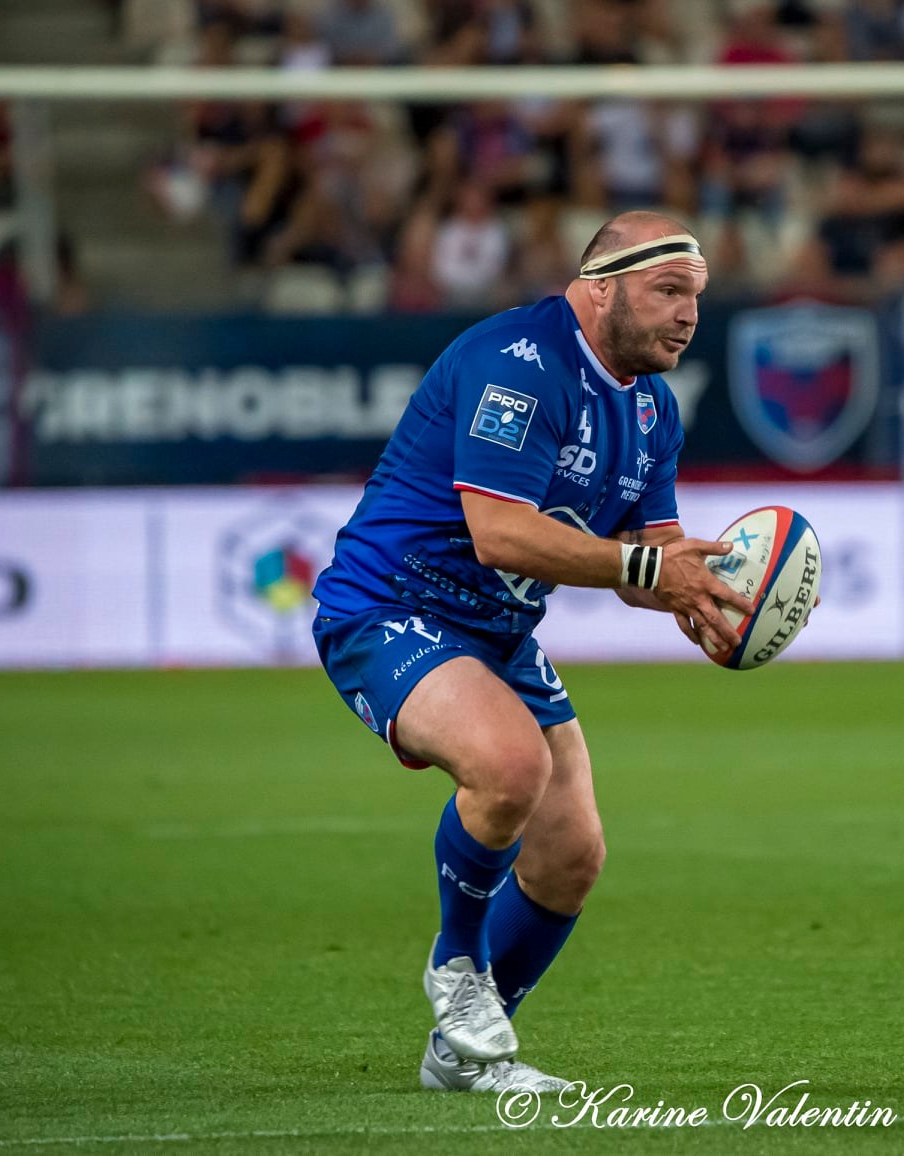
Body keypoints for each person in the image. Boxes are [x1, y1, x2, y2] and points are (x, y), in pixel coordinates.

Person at [311, 212, 753, 1093]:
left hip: (498, 632)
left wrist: (701, 593)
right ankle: (457, 966)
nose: (688, 315)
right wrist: (648, 568)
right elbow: (501, 534)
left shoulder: (652, 407)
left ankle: (465, 1058)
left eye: (696, 297)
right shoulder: (516, 362)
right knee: (510, 767)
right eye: (668, 291)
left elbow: (648, 557)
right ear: (599, 289)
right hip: (390, 604)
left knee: (572, 854)